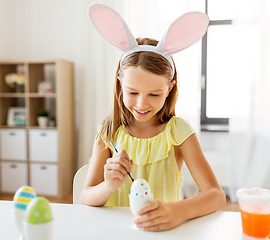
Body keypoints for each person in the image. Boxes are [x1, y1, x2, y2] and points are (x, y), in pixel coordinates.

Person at [80, 4, 226, 231]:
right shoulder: (109, 131)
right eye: (132, 92)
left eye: (154, 94)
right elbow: (86, 197)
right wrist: (108, 186)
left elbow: (216, 196)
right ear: (120, 85)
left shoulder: (178, 132)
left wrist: (178, 211)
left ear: (169, 89)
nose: (141, 104)